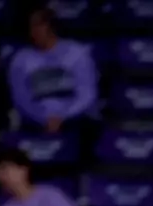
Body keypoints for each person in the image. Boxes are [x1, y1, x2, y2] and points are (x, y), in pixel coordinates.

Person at [7, 5, 98, 136]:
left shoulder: (77, 53)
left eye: (39, 25)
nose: (35, 31)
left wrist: (62, 116)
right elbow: (21, 98)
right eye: (32, 26)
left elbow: (87, 94)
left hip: (74, 119)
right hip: (36, 121)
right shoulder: (20, 59)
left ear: (51, 26)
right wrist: (43, 118)